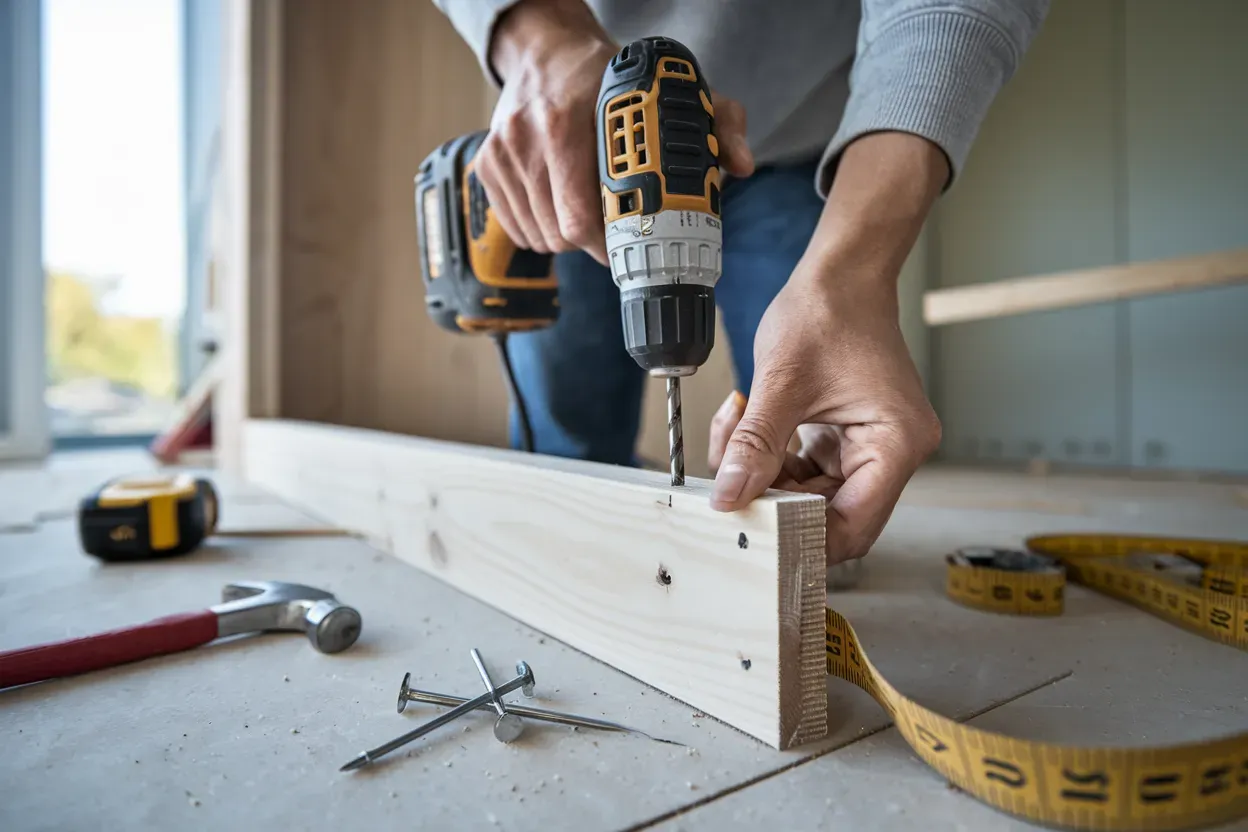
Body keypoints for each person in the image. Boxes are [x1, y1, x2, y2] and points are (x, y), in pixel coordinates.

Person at [432, 0, 1050, 566]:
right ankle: (577, 567)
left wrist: (852, 275)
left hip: (806, 138)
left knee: (808, 440)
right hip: (572, 136)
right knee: (566, 449)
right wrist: (539, 38)